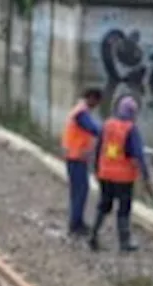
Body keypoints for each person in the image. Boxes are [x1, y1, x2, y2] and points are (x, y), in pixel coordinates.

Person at [90, 95, 153, 253]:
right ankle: (124, 243)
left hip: (105, 174)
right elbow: (138, 155)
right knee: (123, 209)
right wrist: (147, 177)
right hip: (124, 177)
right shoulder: (130, 129)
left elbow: (98, 149)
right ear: (133, 113)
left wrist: (96, 170)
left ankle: (93, 235)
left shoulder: (107, 125)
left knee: (104, 205)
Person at [63, 87, 104, 237]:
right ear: (92, 98)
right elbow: (94, 129)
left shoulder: (78, 110)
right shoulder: (81, 113)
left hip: (75, 157)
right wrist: (110, 132)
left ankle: (77, 221)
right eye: (97, 102)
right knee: (81, 190)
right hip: (76, 158)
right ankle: (75, 225)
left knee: (78, 191)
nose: (96, 106)